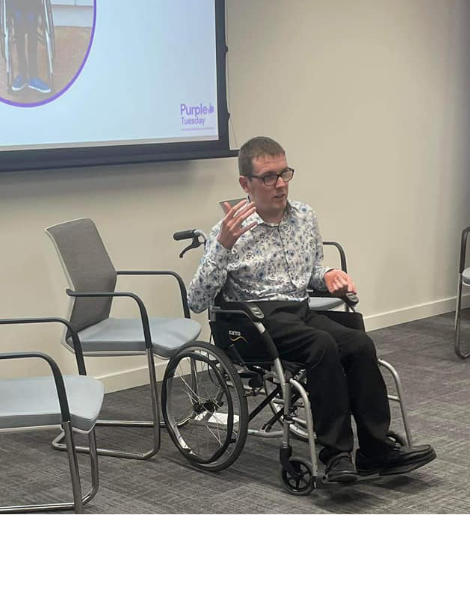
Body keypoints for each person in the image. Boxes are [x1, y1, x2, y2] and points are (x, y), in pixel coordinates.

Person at [186, 136, 435, 484]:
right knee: (321, 346)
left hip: (299, 311)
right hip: (255, 321)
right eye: (269, 177)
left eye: (285, 173)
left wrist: (329, 274)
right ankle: (335, 456)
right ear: (246, 183)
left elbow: (311, 273)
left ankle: (375, 450)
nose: (281, 184)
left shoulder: (304, 216)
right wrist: (222, 249)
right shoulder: (227, 231)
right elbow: (196, 300)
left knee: (360, 344)